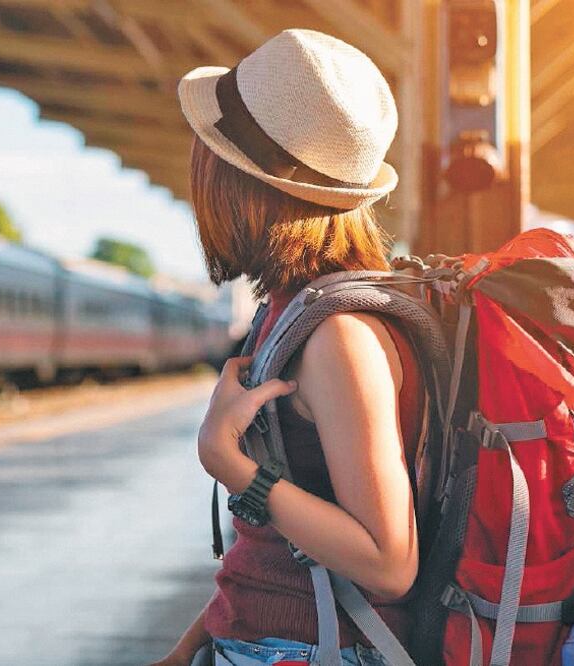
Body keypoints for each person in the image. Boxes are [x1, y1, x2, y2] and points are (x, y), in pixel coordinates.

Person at [151, 29, 426, 666]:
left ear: (245, 185)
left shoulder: (339, 339)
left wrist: (229, 462)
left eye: (211, 156)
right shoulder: (290, 312)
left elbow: (390, 562)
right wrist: (189, 648)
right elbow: (270, 547)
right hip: (260, 643)